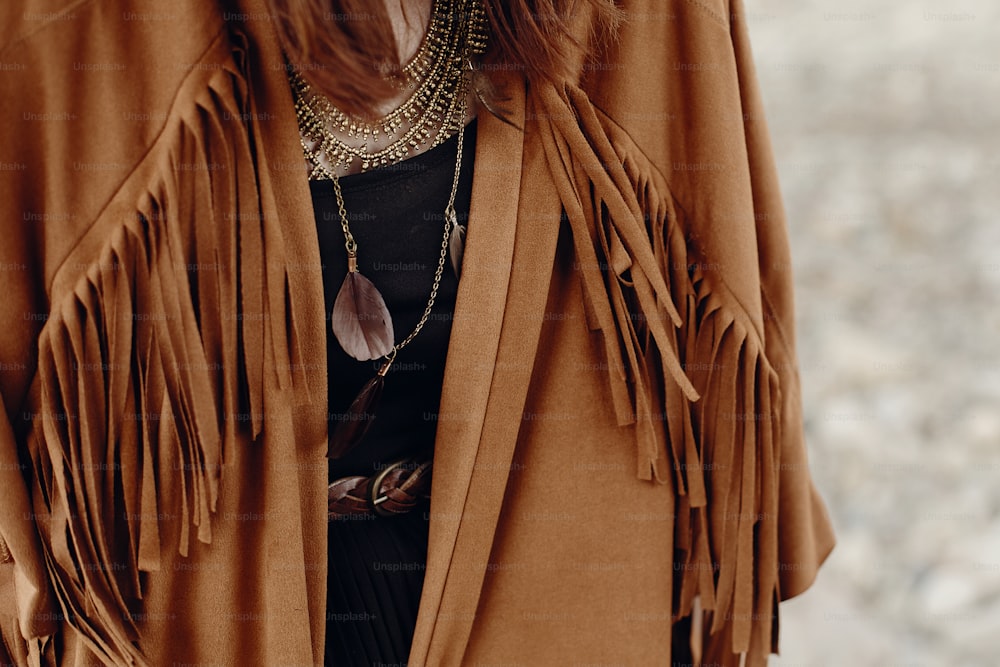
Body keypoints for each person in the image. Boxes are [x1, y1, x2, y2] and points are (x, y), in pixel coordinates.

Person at [0, 0, 835, 665]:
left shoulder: (642, 19)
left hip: (545, 592)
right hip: (191, 615)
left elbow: (719, 309)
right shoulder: (60, 28)